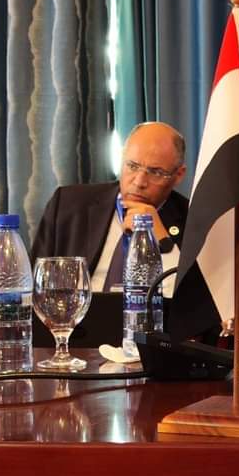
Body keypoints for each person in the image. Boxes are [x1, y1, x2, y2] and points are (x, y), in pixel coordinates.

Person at [31, 121, 216, 338]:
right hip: (74, 338)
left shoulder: (197, 223)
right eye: (133, 166)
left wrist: (163, 242)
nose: (139, 181)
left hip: (152, 341)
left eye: (156, 172)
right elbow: (36, 287)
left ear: (178, 175)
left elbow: (201, 312)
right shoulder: (69, 205)